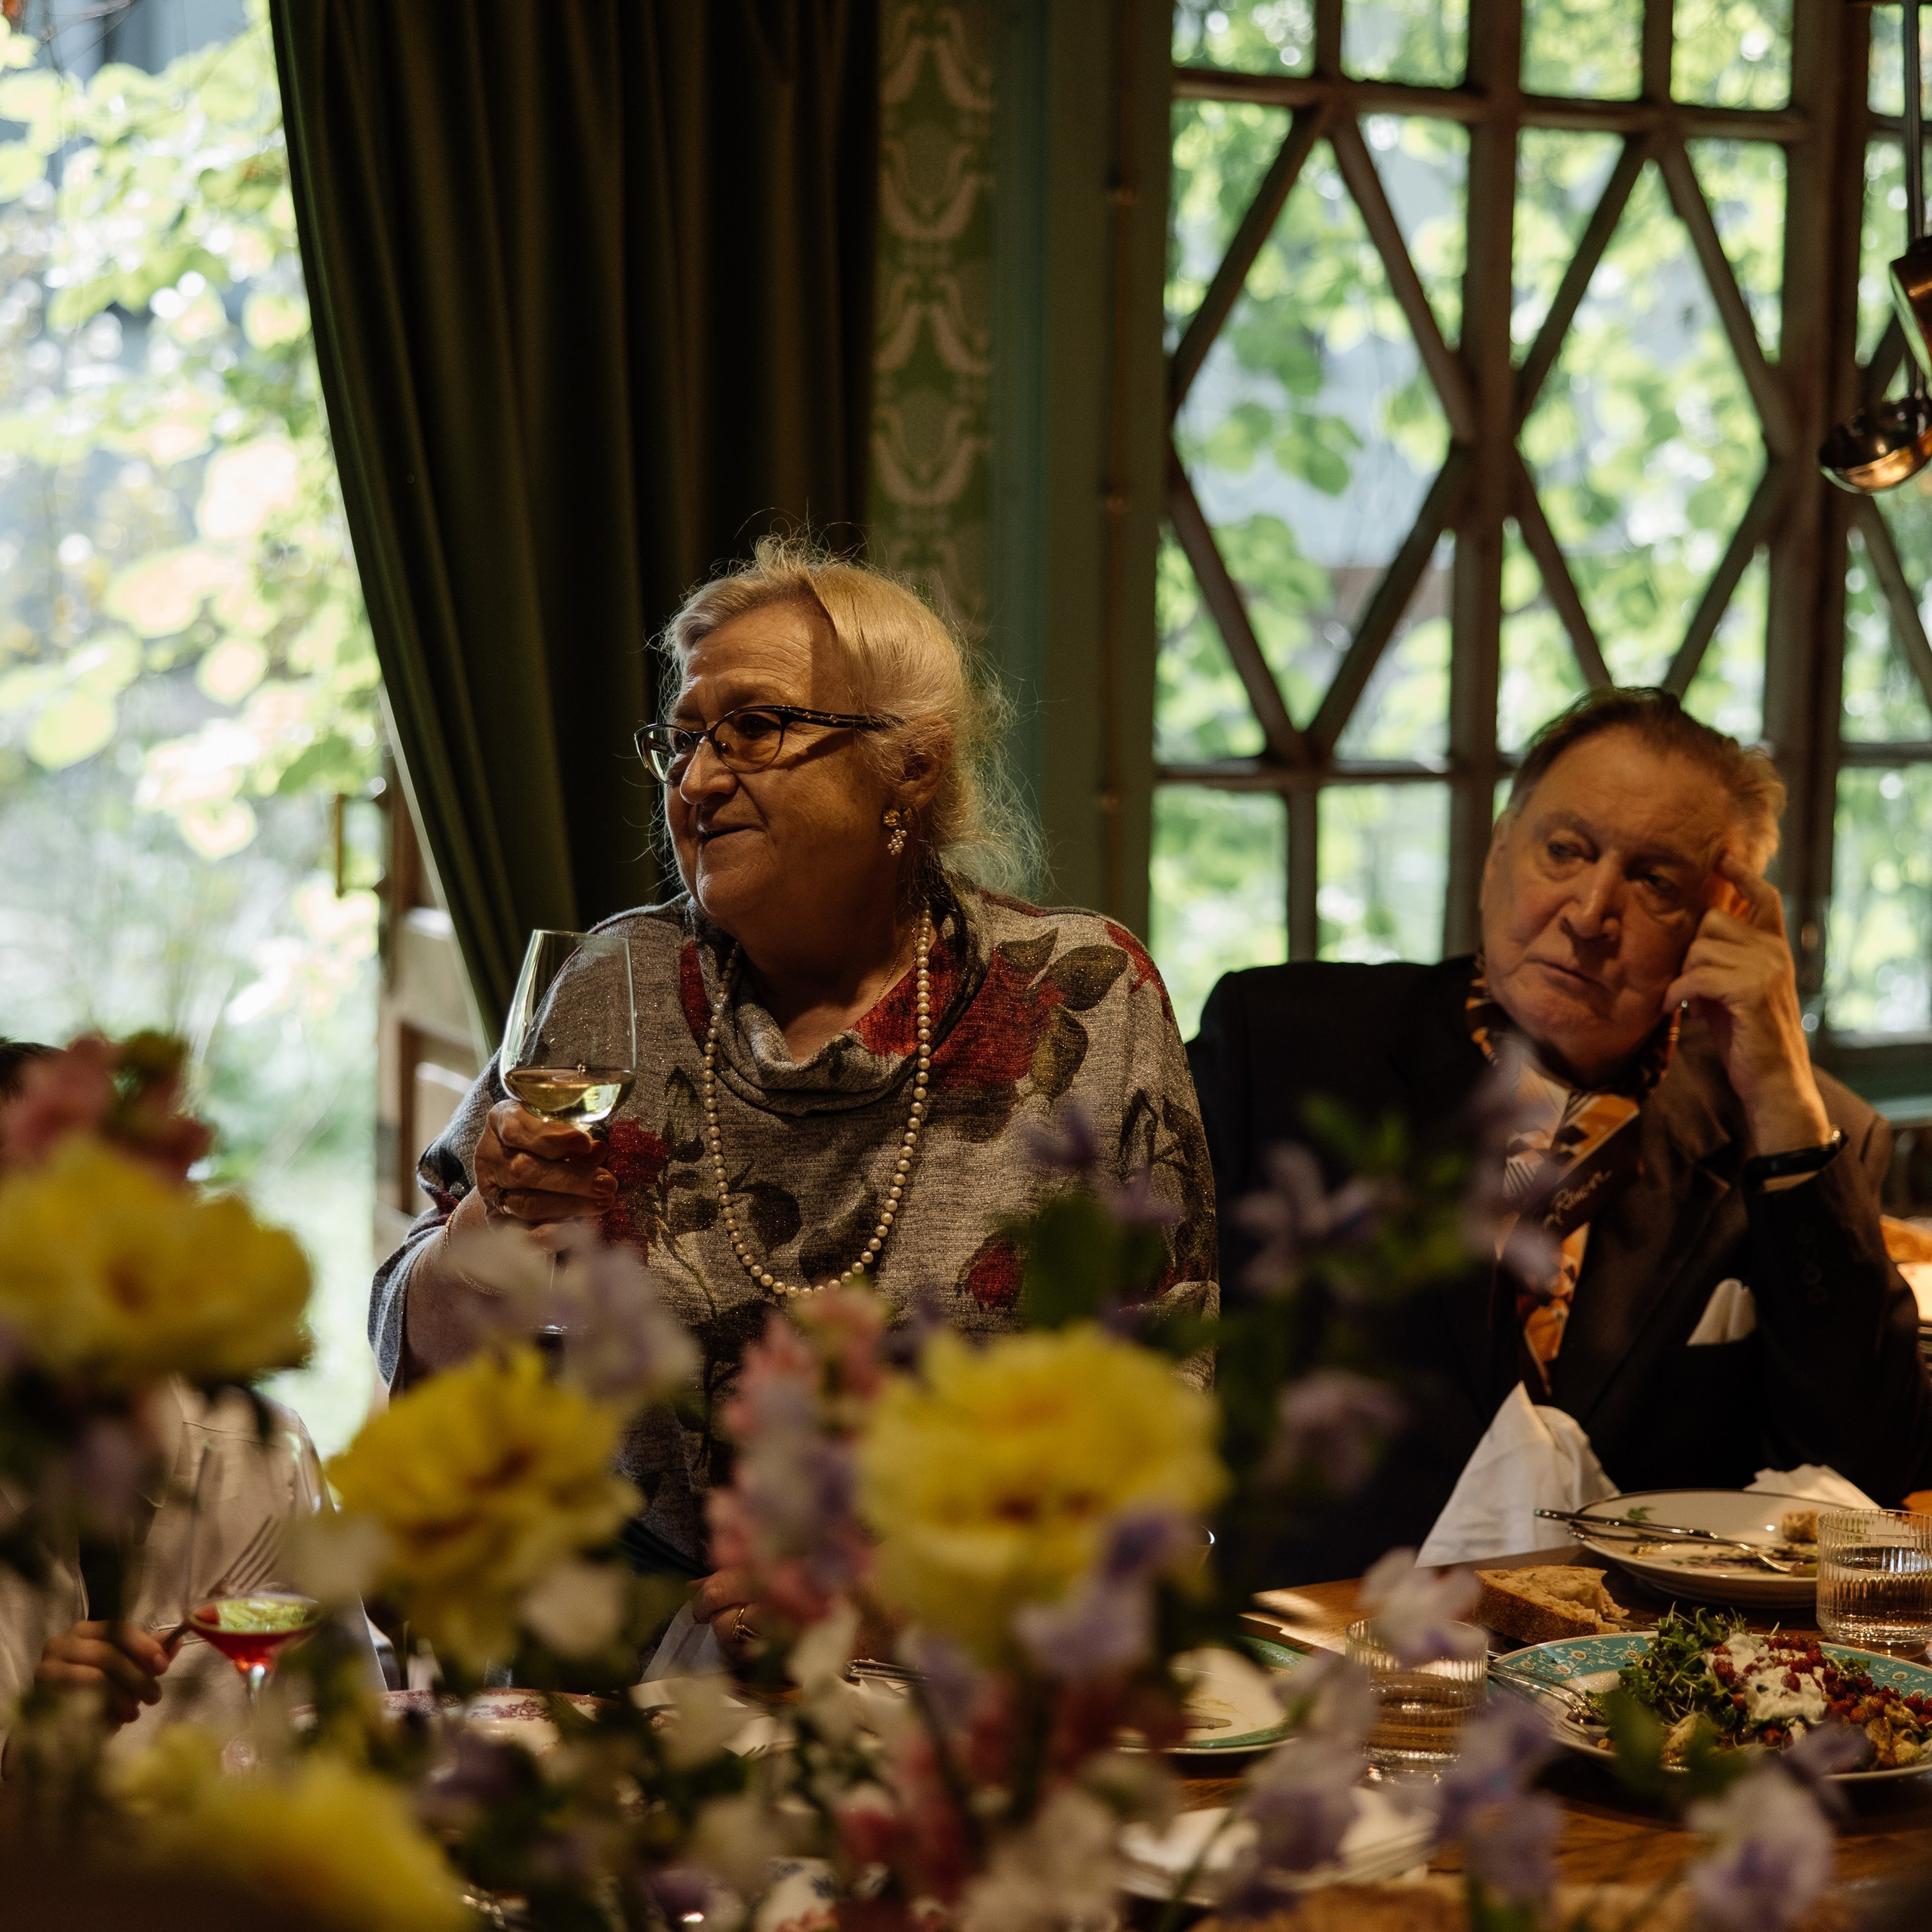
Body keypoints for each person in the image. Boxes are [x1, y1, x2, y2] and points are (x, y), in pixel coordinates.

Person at [373, 540, 1217, 1659]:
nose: (698, 779)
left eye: (755, 729)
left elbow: (1173, 1409)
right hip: (626, 1664)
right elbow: (412, 1329)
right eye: (681, 741)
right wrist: (494, 1236)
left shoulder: (1083, 997)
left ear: (910, 766)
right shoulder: (617, 982)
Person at [1191, 688, 1932, 1583]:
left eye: (1654, 879)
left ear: (1725, 917)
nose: (1589, 913)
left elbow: (1864, 1468)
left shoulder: (1804, 1137)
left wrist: (1778, 1090)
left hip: (1626, 1684)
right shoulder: (1282, 1045)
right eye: (1565, 849)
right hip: (1321, 1653)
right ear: (1497, 852)